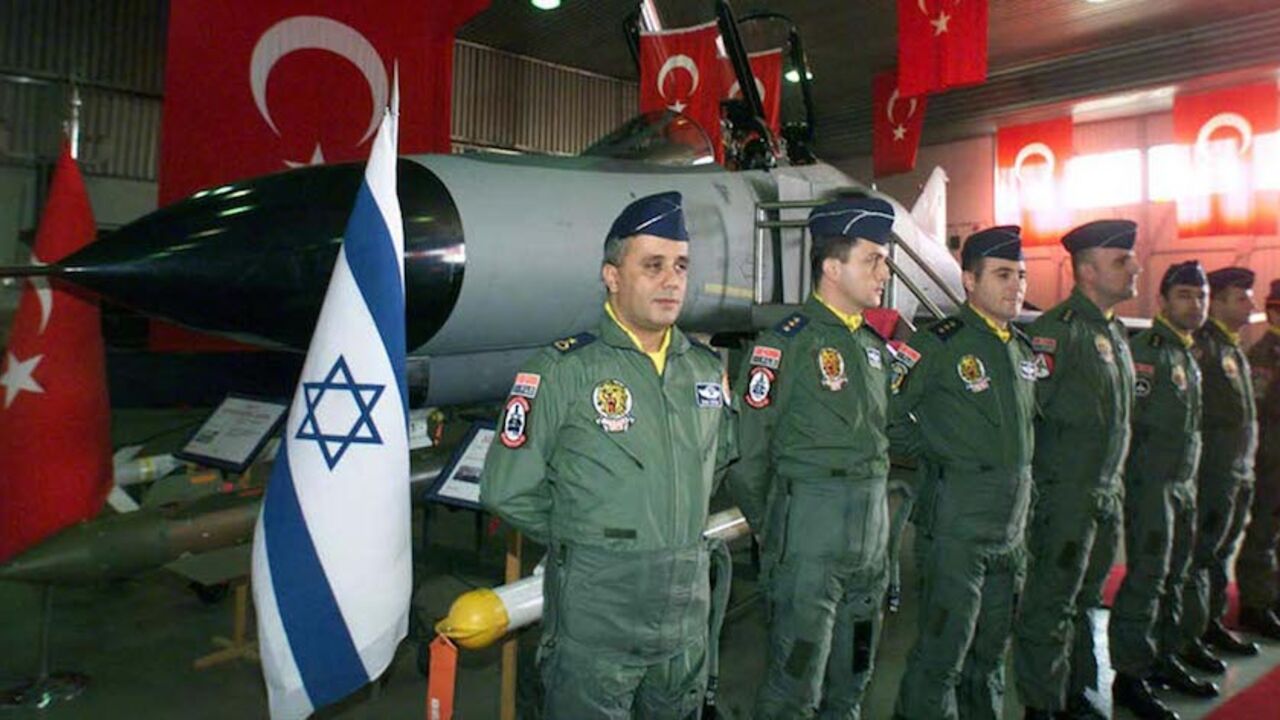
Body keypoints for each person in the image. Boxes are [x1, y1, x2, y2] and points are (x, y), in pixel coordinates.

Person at [480, 191, 737, 719]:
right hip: (597, 616)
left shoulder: (705, 372)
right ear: (612, 276)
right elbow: (506, 488)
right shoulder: (563, 371)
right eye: (653, 265)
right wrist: (591, 537)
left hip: (685, 613)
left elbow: (720, 461)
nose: (671, 280)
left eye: (681, 266)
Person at [728, 197, 894, 719]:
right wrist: (776, 529)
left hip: (870, 535)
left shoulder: (871, 347)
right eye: (873, 258)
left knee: (855, 673)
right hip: (809, 533)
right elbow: (747, 455)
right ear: (831, 266)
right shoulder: (785, 346)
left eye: (884, 260)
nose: (885, 272)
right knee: (795, 682)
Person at [889, 226, 1037, 720]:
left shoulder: (1020, 349)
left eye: (1020, 275)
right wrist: (935, 450)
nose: (1016, 285)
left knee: (992, 652)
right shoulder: (938, 344)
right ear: (969, 281)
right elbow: (883, 413)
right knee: (942, 654)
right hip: (956, 528)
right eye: (1002, 274)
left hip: (1009, 530)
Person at [1013, 219, 1139, 720]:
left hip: (1104, 494)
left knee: (1086, 601)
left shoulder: (1113, 332)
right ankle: (1042, 706)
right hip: (1064, 496)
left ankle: (1076, 694)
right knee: (1050, 604)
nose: (1136, 267)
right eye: (1121, 261)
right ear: (1087, 270)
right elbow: (1029, 418)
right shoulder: (1054, 333)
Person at [1108, 261, 1216, 720]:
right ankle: (1130, 677)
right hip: (1150, 486)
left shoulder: (1187, 353)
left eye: (1202, 296)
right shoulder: (1148, 352)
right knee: (1148, 578)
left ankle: (1162, 657)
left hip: (1181, 485)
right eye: (1187, 295)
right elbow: (1128, 423)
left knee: (1174, 573)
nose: (1196, 304)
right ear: (1164, 301)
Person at [1181, 267, 1260, 660]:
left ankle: (1210, 624)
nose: (1251, 304)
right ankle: (1189, 635)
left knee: (1221, 553)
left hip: (1235, 471)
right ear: (1221, 301)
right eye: (1242, 296)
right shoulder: (1205, 348)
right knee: (1202, 555)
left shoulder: (1230, 347)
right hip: (1212, 472)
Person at [1237, 279, 1280, 637]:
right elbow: (1255, 410)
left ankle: (1273, 593)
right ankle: (1255, 603)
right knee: (1263, 532)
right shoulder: (1263, 357)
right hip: (1271, 458)